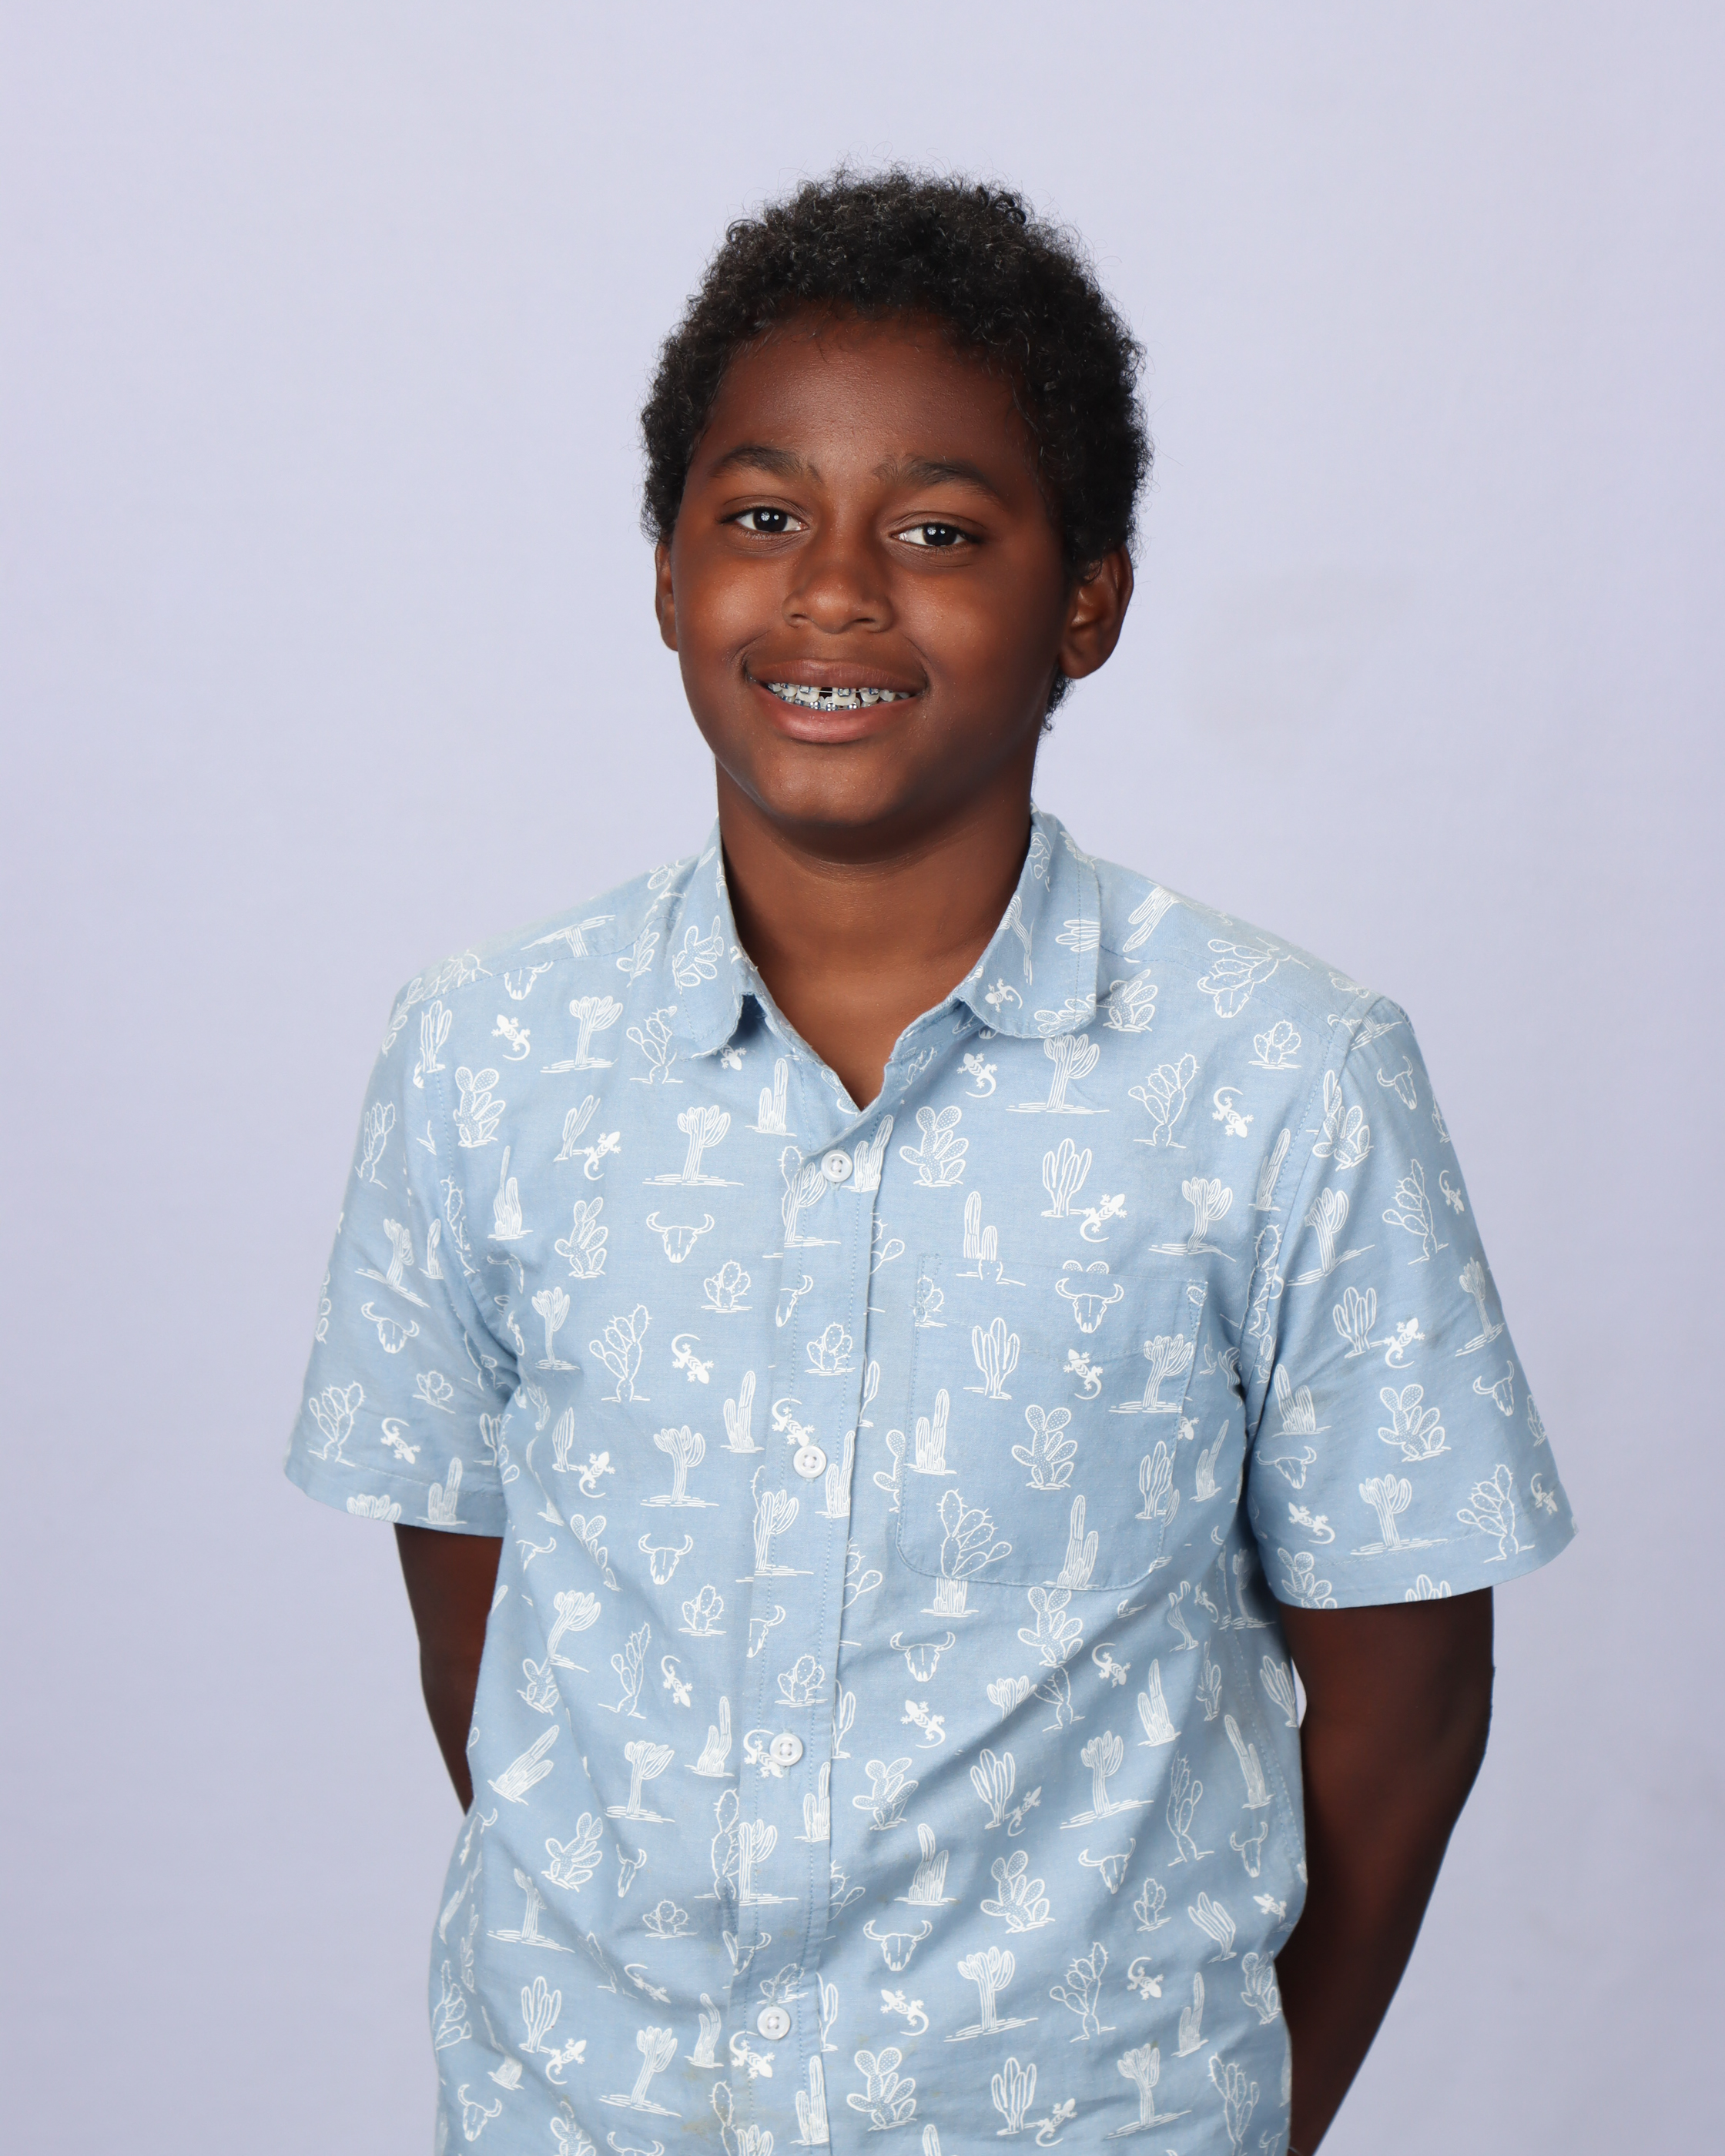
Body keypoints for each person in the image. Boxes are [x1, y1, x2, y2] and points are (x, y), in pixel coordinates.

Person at [286, 170, 1573, 2156]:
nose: (833, 591)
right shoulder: (484, 1059)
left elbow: (1410, 1706)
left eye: (940, 530)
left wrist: (1222, 2115)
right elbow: (495, 1652)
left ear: (1088, 602)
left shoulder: (1282, 1082)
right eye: (761, 515)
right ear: (666, 573)